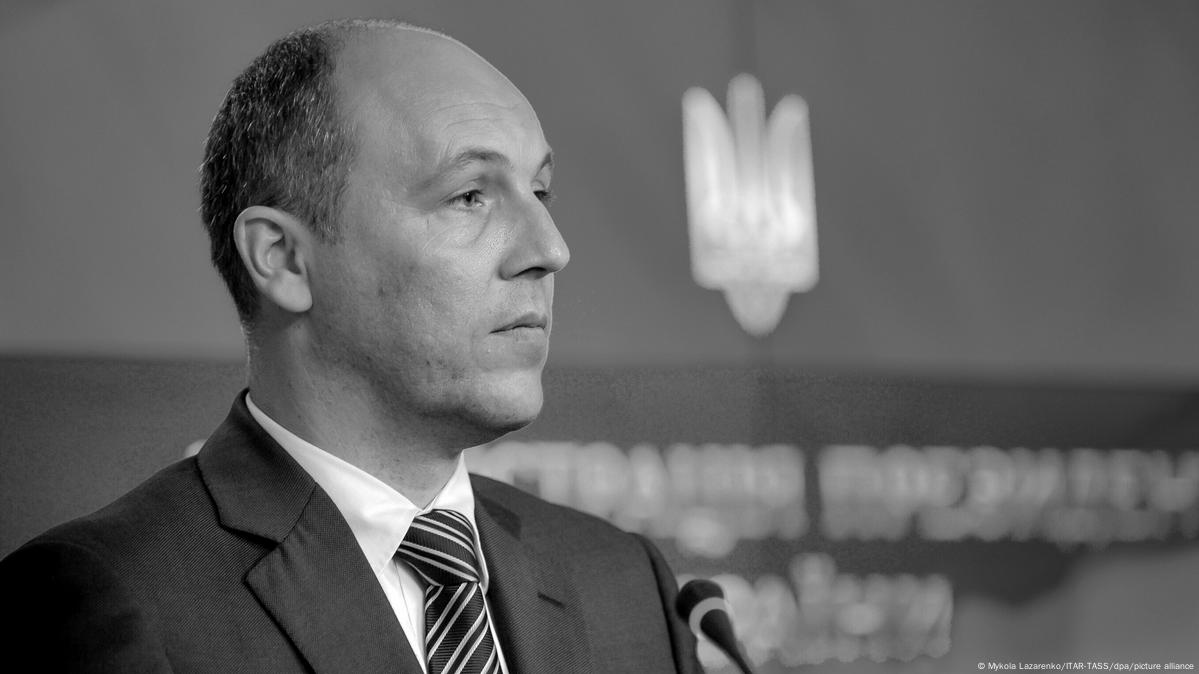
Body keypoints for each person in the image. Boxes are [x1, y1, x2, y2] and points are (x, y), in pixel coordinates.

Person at [0, 19, 700, 674]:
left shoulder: (625, 584)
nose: (550, 249)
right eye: (469, 195)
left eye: (540, 192)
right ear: (283, 259)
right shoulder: (111, 597)